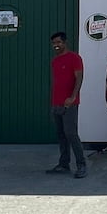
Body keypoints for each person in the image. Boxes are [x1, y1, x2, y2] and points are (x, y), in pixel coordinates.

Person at [46, 31, 86, 178]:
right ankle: (64, 164)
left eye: (58, 42)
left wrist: (73, 96)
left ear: (65, 42)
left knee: (71, 133)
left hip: (69, 103)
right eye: (54, 43)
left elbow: (79, 78)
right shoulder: (55, 61)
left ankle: (81, 165)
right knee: (61, 134)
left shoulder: (74, 58)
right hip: (56, 102)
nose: (56, 45)